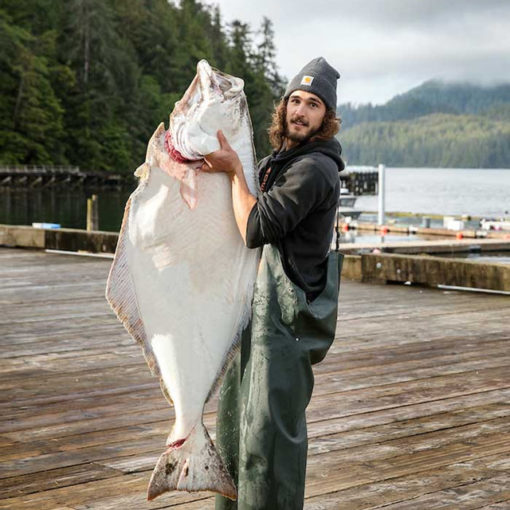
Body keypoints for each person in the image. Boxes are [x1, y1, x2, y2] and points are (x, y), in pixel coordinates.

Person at [202, 57, 345, 510]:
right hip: (250, 318)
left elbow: (256, 228)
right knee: (233, 431)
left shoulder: (315, 169)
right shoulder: (273, 164)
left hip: (286, 325)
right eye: (295, 101)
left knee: (269, 441)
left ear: (327, 118)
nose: (300, 111)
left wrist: (232, 172)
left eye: (314, 105)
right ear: (283, 107)